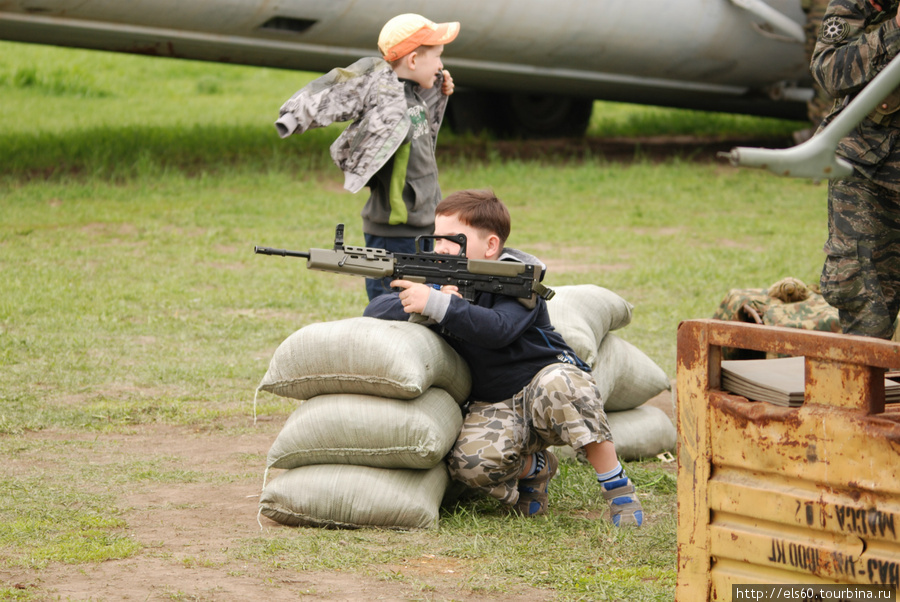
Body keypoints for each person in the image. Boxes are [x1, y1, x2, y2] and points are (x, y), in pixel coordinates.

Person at [363, 189, 644, 526]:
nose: (440, 248)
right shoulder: (440, 281)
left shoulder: (517, 279)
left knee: (566, 384)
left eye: (451, 239)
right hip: (493, 402)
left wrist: (442, 306)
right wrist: (430, 298)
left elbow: (498, 329)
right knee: (470, 466)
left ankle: (617, 487)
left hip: (545, 385)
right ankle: (536, 468)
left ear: (491, 245)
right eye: (436, 238)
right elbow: (376, 308)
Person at [274, 14, 460, 300]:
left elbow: (424, 132)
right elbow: (341, 88)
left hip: (424, 224)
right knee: (391, 306)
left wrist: (437, 88)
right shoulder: (383, 97)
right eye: (437, 58)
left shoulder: (414, 97)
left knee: (424, 301)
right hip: (394, 232)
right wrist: (293, 117)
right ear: (412, 62)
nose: (440, 65)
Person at [810, 0, 900, 339]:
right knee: (864, 307)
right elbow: (829, 70)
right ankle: (865, 390)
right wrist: (895, 29)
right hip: (869, 177)